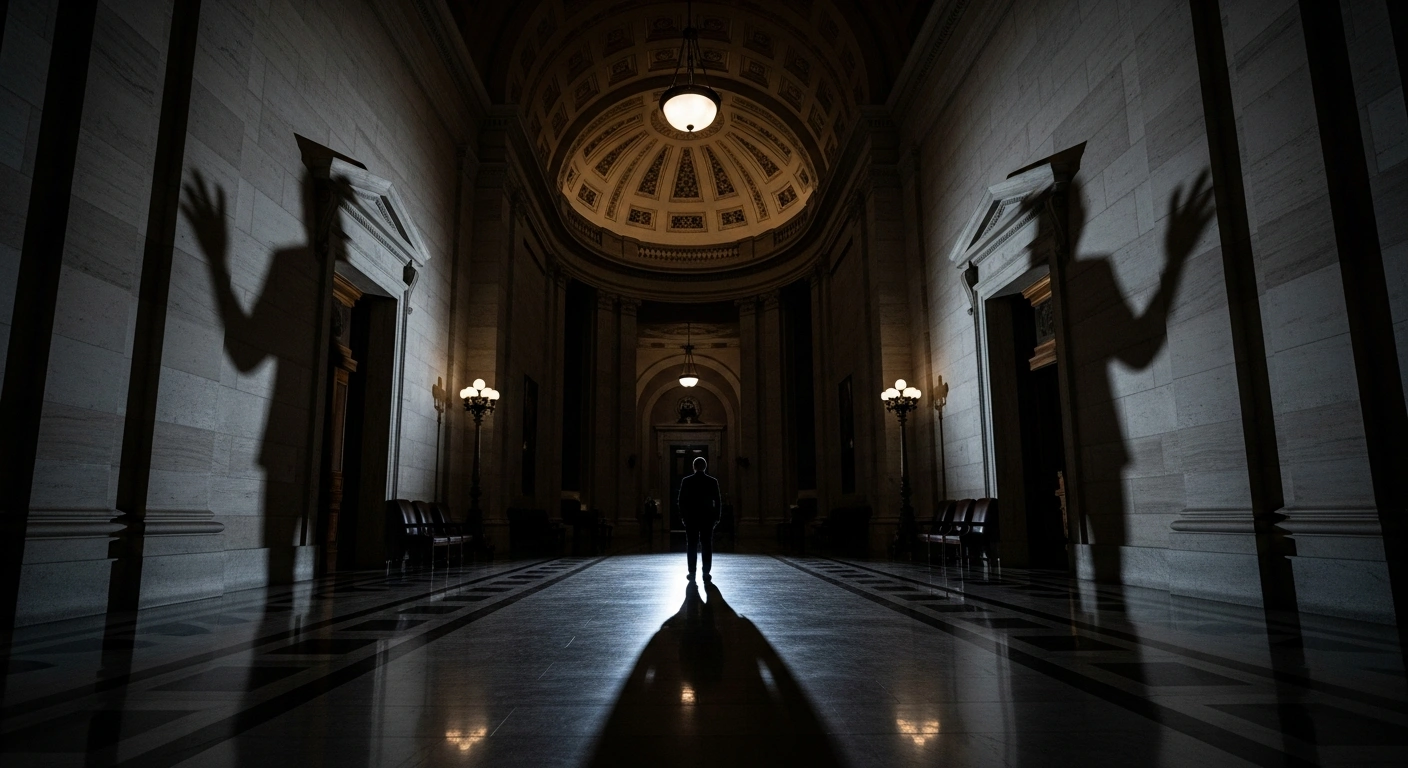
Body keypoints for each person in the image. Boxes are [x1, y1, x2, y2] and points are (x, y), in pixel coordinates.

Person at [676, 456, 721, 581]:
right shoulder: (712, 481)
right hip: (707, 518)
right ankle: (706, 572)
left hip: (691, 518)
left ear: (694, 467)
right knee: (707, 544)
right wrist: (717, 517)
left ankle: (692, 572)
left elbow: (681, 501)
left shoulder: (686, 481)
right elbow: (717, 501)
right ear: (705, 467)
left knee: (691, 545)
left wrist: (683, 516)